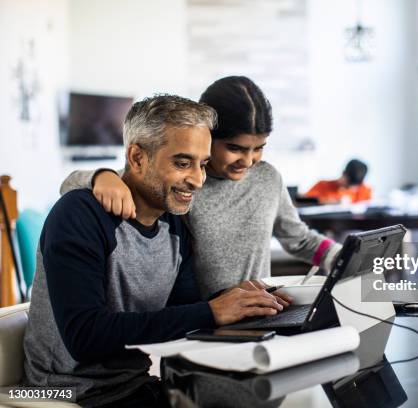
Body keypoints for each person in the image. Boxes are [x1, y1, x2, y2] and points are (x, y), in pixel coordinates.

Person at [24, 95, 284, 407]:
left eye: (202, 164)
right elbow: (85, 337)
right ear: (137, 158)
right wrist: (211, 311)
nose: (198, 180)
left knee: (262, 398)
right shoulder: (79, 215)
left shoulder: (174, 227)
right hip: (68, 393)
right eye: (182, 163)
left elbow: (183, 313)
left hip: (137, 384)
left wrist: (242, 302)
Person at [61, 76, 341, 297]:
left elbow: (299, 239)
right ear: (207, 138)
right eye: (236, 148)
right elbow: (72, 185)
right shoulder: (181, 182)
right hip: (199, 319)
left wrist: (339, 257)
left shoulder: (268, 178)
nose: (248, 160)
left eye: (259, 148)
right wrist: (101, 175)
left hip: (259, 312)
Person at [305, 159, 372, 204]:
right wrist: (325, 201)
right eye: (347, 185)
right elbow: (302, 201)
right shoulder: (322, 185)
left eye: (354, 187)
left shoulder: (363, 190)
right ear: (343, 174)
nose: (349, 189)